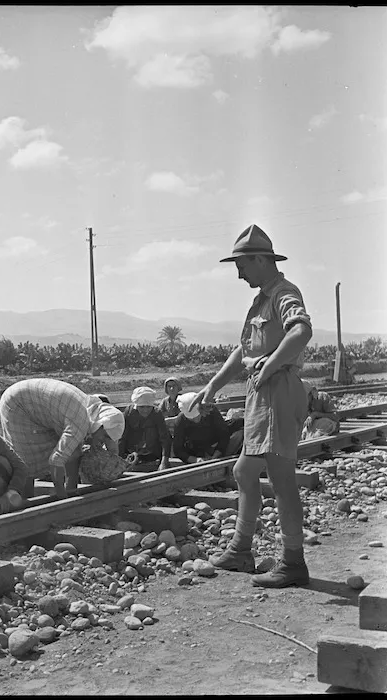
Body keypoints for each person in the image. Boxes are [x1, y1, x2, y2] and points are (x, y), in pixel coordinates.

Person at [190, 224, 313, 588]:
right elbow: (245, 350)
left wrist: (271, 363)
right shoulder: (262, 299)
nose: (239, 272)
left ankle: (293, 563)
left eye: (242, 264)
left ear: (261, 259)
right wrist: (213, 384)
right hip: (262, 394)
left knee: (281, 479)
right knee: (245, 472)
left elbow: (301, 330)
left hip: (276, 392)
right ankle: (241, 549)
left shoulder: (283, 293)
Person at [0, 378, 125, 499]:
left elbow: (74, 452)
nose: (103, 441)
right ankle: (26, 501)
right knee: (27, 458)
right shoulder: (80, 423)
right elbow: (56, 460)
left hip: (36, 404)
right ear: (100, 425)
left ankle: (70, 489)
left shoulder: (90, 409)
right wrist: (60, 493)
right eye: (105, 436)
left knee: (71, 449)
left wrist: (114, 463)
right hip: (18, 403)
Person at [119, 386, 171, 471]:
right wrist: (120, 460)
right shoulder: (129, 413)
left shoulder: (157, 414)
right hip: (132, 453)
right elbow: (122, 438)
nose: (145, 410)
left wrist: (164, 462)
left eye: (148, 407)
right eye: (142, 407)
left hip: (152, 453)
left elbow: (165, 438)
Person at [172, 392, 233, 463]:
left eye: (197, 416)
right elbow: (178, 448)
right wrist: (195, 460)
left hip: (216, 447)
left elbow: (224, 434)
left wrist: (217, 454)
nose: (196, 420)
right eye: (191, 418)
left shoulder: (211, 410)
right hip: (196, 451)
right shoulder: (180, 420)